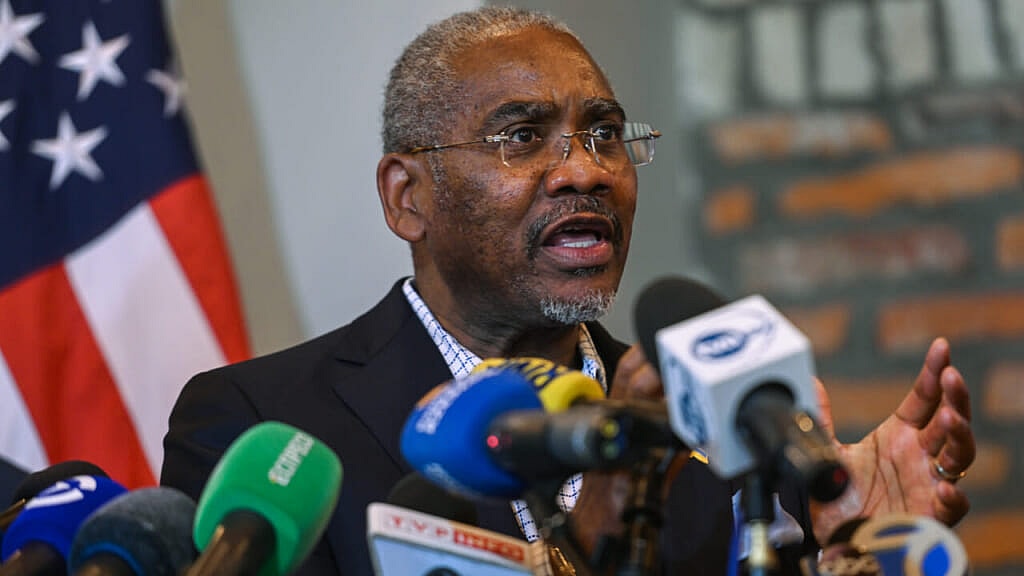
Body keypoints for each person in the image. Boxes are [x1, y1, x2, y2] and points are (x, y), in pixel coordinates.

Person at [161, 7, 975, 575]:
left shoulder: (724, 429)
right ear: (408, 197)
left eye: (606, 134)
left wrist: (849, 553)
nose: (586, 169)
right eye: (522, 137)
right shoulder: (258, 425)